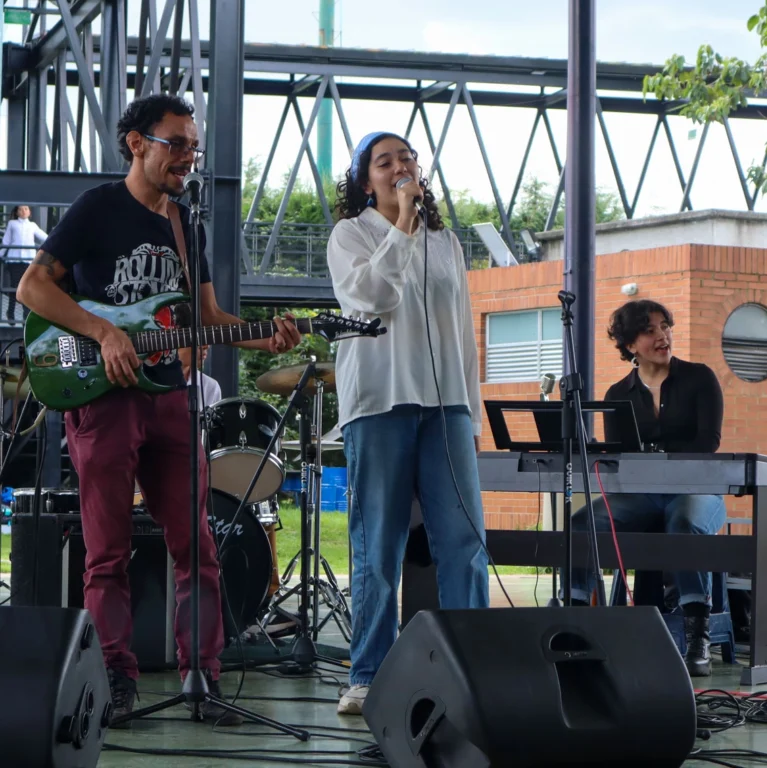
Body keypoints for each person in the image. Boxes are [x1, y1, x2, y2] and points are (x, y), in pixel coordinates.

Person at [16, 93, 301, 726]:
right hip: (103, 400)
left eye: (195, 147)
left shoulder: (184, 222)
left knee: (197, 545)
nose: (189, 157)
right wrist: (103, 332)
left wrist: (264, 334)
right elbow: (33, 286)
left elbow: (207, 318)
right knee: (107, 552)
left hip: (172, 397)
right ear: (137, 143)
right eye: (178, 143)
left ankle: (203, 675)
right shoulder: (97, 208)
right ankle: (116, 679)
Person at [327, 131, 490, 715]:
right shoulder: (350, 235)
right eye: (383, 160)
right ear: (364, 179)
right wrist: (399, 226)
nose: (399, 166)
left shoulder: (446, 242)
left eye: (406, 157)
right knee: (379, 544)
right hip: (379, 403)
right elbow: (368, 298)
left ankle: (472, 664)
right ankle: (368, 672)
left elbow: (463, 334)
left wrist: (469, 411)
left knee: (465, 540)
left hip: (446, 408)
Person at [567, 299, 726, 677]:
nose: (662, 336)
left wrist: (652, 452)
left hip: (698, 489)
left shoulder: (700, 377)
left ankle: (697, 634)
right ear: (630, 344)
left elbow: (709, 443)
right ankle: (573, 619)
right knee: (580, 524)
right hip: (642, 496)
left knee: (685, 523)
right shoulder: (617, 393)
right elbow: (619, 459)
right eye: (650, 330)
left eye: (665, 327)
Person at [1, 205, 47, 322]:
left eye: (26, 209)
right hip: (14, 260)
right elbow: (6, 241)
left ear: (29, 211)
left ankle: (25, 315)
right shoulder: (12, 223)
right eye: (21, 209)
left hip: (28, 260)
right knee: (14, 286)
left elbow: (44, 237)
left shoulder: (32, 226)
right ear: (17, 212)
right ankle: (10, 313)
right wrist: (1, 254)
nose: (23, 211)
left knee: (27, 287)